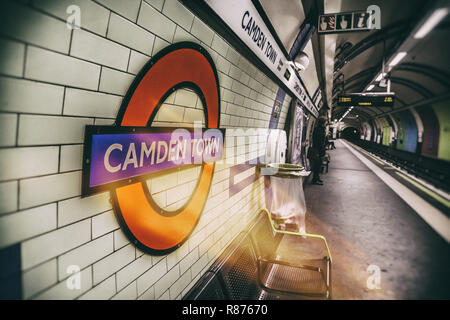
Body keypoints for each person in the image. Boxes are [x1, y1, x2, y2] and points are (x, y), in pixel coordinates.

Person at [309, 118, 327, 185]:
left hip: (319, 150)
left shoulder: (320, 129)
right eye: (325, 122)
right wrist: (322, 151)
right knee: (317, 166)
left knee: (318, 165)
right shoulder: (319, 130)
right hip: (318, 151)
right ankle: (314, 180)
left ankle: (317, 178)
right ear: (322, 123)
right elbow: (319, 142)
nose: (326, 123)